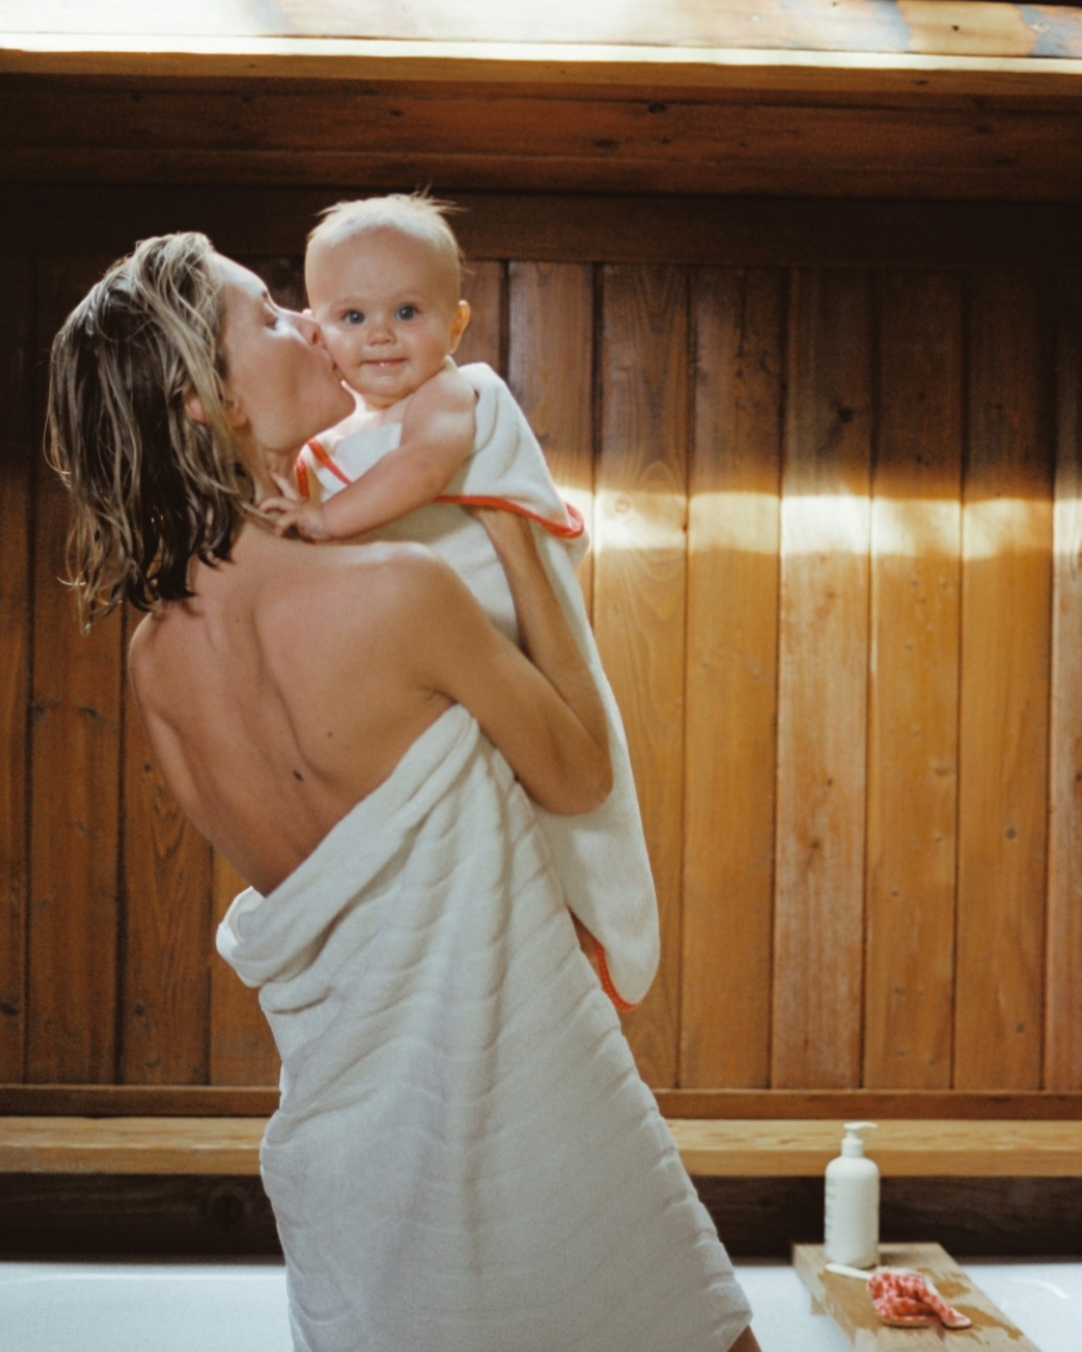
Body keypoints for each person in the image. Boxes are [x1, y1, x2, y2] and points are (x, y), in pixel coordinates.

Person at [46, 232, 759, 1352]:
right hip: (526, 1112)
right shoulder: (399, 590)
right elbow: (579, 773)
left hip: (354, 1165)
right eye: (269, 315)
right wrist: (515, 530)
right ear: (203, 398)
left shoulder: (155, 662)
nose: (309, 325)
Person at [261, 193, 660, 1009]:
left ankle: (590, 936)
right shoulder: (323, 452)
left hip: (512, 642)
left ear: (456, 323)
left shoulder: (454, 395)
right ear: (318, 330)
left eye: (407, 312)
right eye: (353, 316)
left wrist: (323, 521)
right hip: (435, 682)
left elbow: (422, 469)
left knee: (565, 818)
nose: (380, 334)